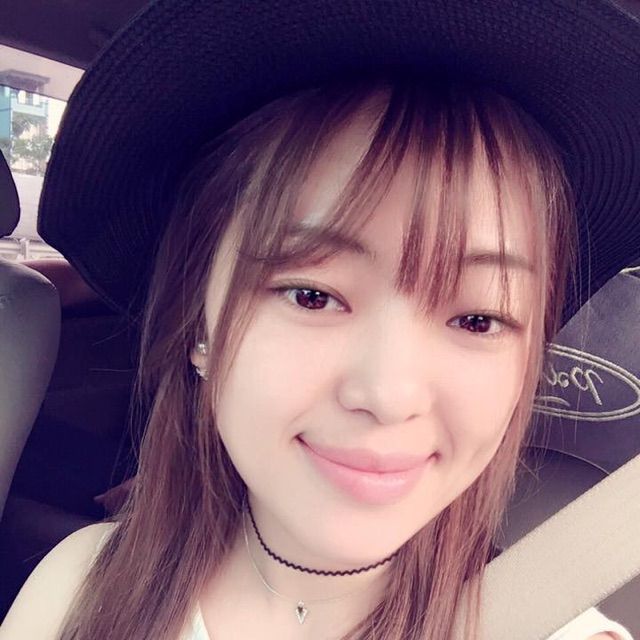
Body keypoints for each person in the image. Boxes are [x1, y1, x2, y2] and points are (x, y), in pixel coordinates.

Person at [1, 1, 638, 639]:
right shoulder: (77, 590)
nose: (388, 396)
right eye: (312, 295)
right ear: (200, 322)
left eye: (477, 319)